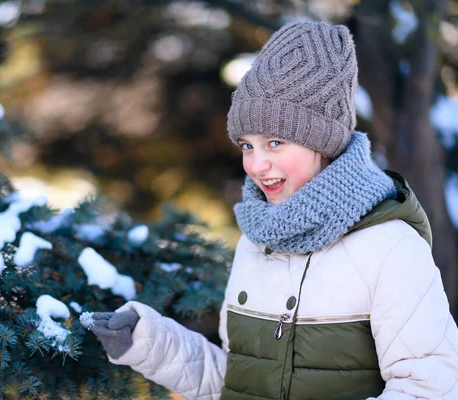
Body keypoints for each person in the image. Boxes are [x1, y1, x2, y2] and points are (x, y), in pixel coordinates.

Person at [90, 21, 458, 399]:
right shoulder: (257, 241)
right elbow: (236, 381)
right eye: (247, 146)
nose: (255, 165)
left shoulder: (390, 247)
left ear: (323, 143)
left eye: (275, 142)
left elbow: (429, 389)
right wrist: (149, 341)